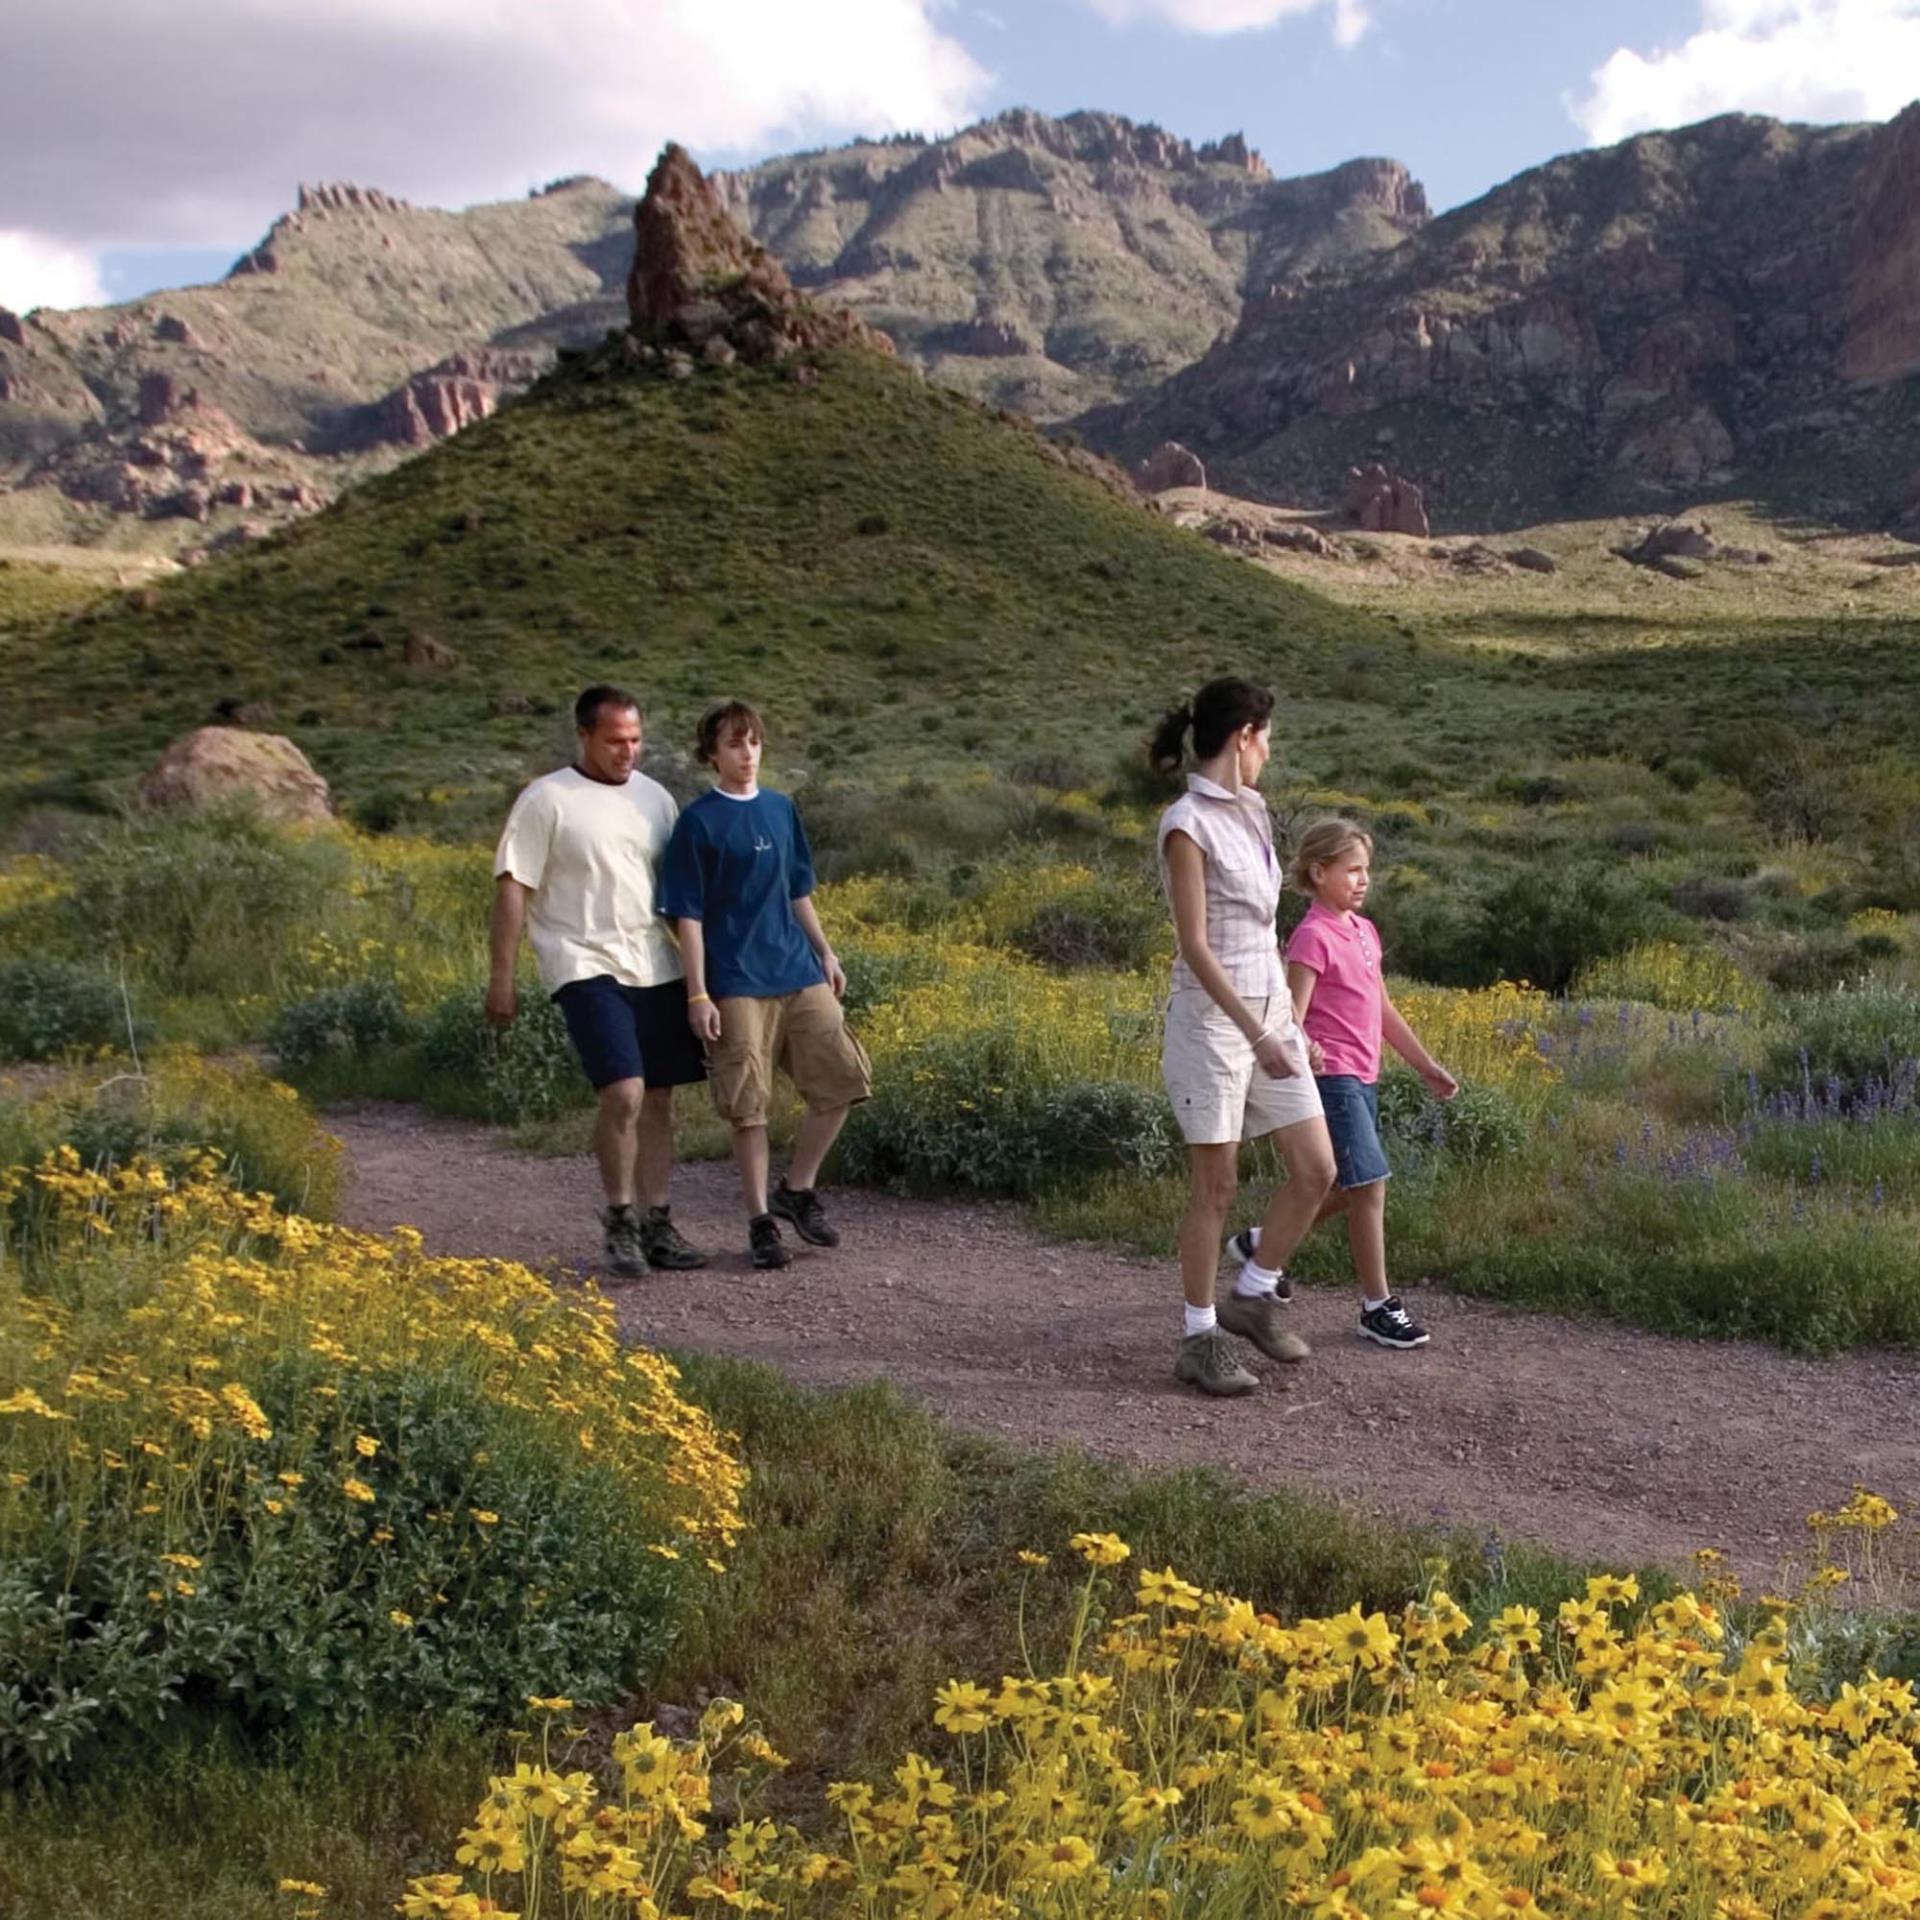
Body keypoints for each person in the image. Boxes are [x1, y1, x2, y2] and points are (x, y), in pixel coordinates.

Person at [1152, 678, 1337, 1398]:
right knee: (1216, 1185)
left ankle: (1253, 1295)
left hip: (1267, 1017)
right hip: (1212, 1025)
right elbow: (1196, 944)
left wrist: (1289, 1026)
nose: (1269, 751)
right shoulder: (1186, 823)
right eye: (1267, 737)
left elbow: (1262, 933)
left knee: (1317, 1168)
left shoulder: (1253, 814)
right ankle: (1199, 1338)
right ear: (1244, 736)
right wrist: (1259, 1033)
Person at [488, 684, 709, 1278]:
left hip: (653, 963)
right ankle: (620, 1221)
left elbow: (678, 896)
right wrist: (502, 979)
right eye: (615, 741)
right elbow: (514, 887)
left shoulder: (655, 799)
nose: (627, 751)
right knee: (624, 1092)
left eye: (635, 740)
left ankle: (657, 1222)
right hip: (582, 961)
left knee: (659, 1096)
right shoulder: (546, 800)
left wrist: (702, 979)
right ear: (584, 735)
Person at [659, 699, 872, 1270]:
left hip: (796, 968)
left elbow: (797, 889)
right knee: (748, 1106)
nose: (746, 754)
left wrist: (825, 951)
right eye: (733, 744)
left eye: (753, 742)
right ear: (712, 755)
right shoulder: (699, 822)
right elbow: (689, 916)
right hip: (736, 981)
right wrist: (698, 993)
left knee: (844, 1079)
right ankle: (759, 1222)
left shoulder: (780, 809)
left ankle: (797, 1189)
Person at [1263, 817, 1458, 1348]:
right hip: (1334, 1079)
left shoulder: (1364, 931)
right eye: (1352, 870)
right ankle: (1377, 1305)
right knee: (1370, 1184)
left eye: (1366, 870)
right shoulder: (1311, 936)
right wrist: (1306, 1047)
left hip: (1366, 1075)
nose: (1362, 879)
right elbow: (1291, 1015)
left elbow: (1383, 1009)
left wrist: (1425, 1064)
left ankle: (1266, 1247)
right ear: (1318, 871)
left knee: (1345, 1187)